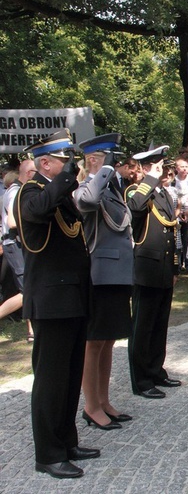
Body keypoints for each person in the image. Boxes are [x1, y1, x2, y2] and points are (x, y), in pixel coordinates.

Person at [16, 129, 98, 478]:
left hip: (73, 295)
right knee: (50, 379)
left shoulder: (58, 193)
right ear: (44, 163)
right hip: (51, 300)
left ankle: (67, 440)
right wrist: (66, 176)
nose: (71, 167)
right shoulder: (29, 193)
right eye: (64, 161)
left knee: (69, 375)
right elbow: (40, 209)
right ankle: (48, 454)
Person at [73, 133, 134, 431]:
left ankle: (104, 400)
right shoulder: (89, 186)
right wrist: (98, 171)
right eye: (111, 158)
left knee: (109, 341)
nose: (117, 164)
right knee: (94, 342)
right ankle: (90, 405)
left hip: (118, 275)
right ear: (97, 159)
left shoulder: (112, 190)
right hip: (100, 275)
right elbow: (85, 203)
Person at [126, 146, 181, 400]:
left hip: (163, 267)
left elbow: (171, 234)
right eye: (157, 165)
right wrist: (148, 178)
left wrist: (174, 267)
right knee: (143, 327)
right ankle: (141, 379)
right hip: (146, 269)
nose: (163, 170)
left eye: (163, 165)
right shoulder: (136, 191)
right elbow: (136, 208)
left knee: (160, 324)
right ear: (146, 167)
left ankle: (156, 370)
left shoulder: (164, 194)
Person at [0, 160, 35, 342]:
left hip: (18, 242)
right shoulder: (15, 192)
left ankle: (32, 331)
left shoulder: (17, 190)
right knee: (26, 290)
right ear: (29, 174)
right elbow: (13, 222)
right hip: (14, 242)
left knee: (29, 288)